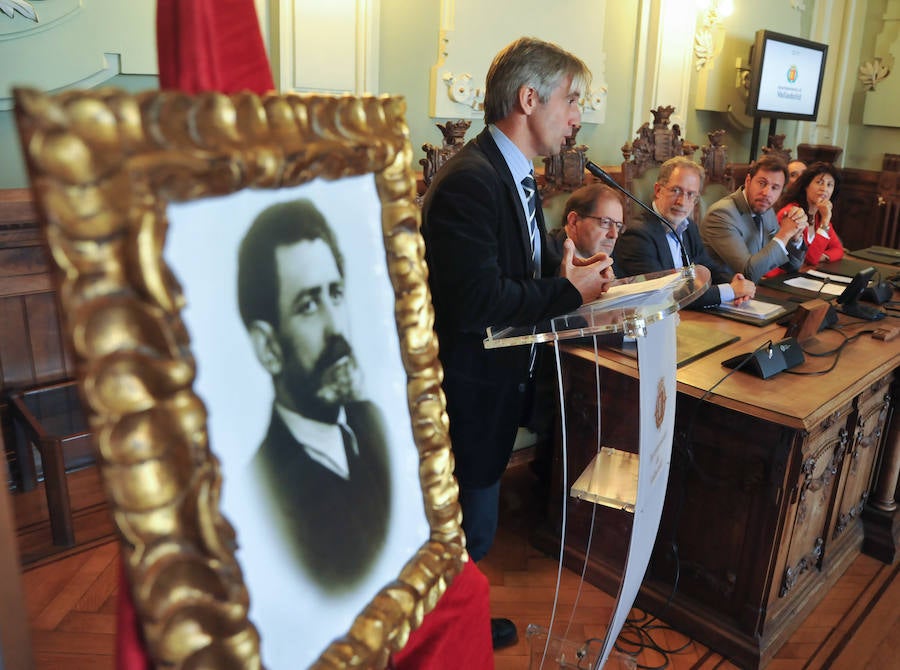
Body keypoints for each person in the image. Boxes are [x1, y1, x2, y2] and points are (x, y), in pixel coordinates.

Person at [420, 36, 613, 649]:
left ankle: (463, 622)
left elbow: (509, 282)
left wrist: (561, 280)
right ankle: (445, 640)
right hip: (468, 392)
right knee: (464, 532)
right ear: (529, 99)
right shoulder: (470, 182)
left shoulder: (513, 176)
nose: (579, 116)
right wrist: (567, 295)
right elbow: (476, 302)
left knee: (476, 527)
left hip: (499, 386)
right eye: (572, 99)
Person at [236, 198, 391, 591]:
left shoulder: (377, 422)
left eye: (335, 294)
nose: (334, 325)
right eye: (307, 305)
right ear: (268, 347)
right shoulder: (261, 491)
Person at [614, 156, 755, 308]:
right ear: (658, 190)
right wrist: (730, 291)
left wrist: (736, 282)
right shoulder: (638, 235)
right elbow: (666, 295)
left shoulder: (689, 227)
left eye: (690, 194)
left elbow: (708, 268)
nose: (682, 202)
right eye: (676, 190)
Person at [700, 154, 808, 283]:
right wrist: (784, 234)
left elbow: (792, 266)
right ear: (748, 181)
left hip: (751, 292)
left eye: (775, 188)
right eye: (762, 183)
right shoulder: (722, 214)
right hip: (723, 294)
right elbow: (748, 273)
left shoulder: (766, 209)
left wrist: (795, 238)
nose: (767, 193)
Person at [764, 162, 844, 277]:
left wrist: (822, 256)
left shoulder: (818, 215)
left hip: (801, 274)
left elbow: (838, 250)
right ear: (806, 185)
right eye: (819, 182)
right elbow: (811, 259)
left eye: (830, 185)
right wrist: (825, 221)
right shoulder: (793, 212)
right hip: (779, 277)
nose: (824, 189)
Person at [551, 182, 625, 269]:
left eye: (618, 226)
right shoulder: (546, 258)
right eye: (605, 222)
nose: (614, 235)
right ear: (574, 221)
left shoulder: (616, 255)